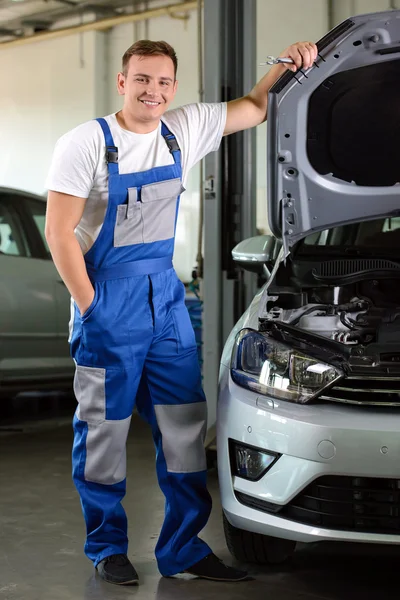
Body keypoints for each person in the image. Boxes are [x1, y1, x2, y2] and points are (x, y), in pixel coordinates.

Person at [45, 38, 317, 586]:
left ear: (173, 87)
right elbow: (58, 233)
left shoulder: (183, 128)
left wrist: (289, 65)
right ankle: (107, 546)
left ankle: (183, 549)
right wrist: (91, 308)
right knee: (104, 433)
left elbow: (256, 107)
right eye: (142, 79)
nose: (153, 90)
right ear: (122, 82)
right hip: (108, 301)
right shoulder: (87, 143)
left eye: (164, 81)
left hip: (166, 301)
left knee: (184, 429)